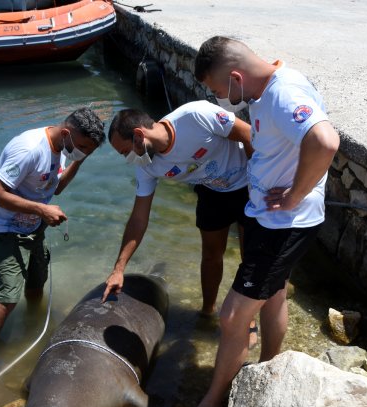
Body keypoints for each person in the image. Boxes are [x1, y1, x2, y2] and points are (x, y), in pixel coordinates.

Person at [168, 37, 340, 407]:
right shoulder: (266, 91)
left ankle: (210, 405)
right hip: (268, 218)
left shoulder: (284, 93)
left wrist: (296, 194)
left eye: (217, 90)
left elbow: (325, 141)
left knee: (232, 317)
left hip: (285, 225)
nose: (219, 99)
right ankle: (269, 369)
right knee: (274, 294)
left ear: (235, 76)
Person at [101, 102, 258, 344]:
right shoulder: (146, 166)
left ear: (139, 135)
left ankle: (248, 317)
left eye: (125, 152)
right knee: (211, 255)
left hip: (249, 184)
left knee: (251, 257)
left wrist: (259, 184)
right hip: (212, 190)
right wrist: (118, 269)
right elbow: (139, 218)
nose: (128, 159)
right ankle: (207, 311)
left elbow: (249, 134)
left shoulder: (195, 116)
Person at [0, 107, 105, 373]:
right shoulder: (29, 149)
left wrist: (81, 158)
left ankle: (32, 325)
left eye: (89, 149)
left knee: (36, 282)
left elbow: (58, 186)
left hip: (34, 225)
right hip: (5, 228)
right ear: (66, 133)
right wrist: (42, 209)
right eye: (83, 147)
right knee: (7, 295)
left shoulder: (62, 149)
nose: (83, 152)